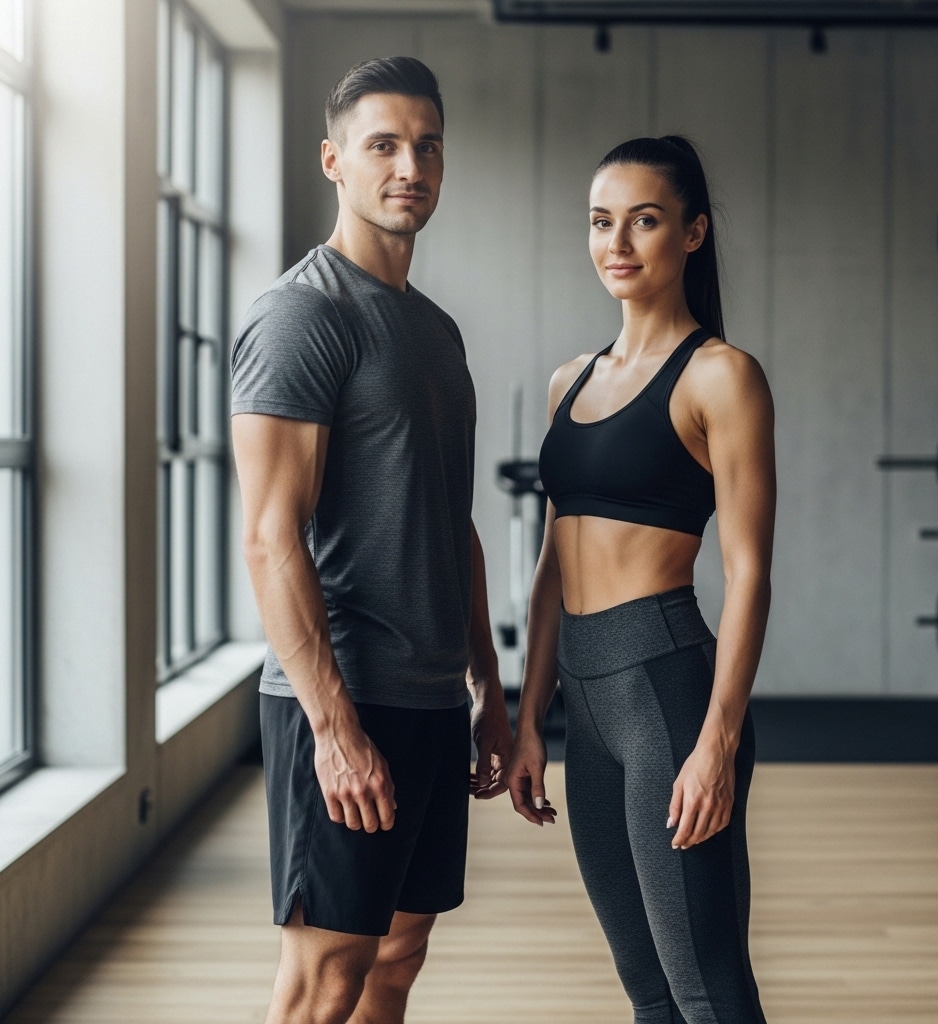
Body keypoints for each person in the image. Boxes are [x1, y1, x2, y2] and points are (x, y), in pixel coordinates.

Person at [230, 56, 512, 1024]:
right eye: (383, 144)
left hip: (429, 696)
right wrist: (334, 729)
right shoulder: (301, 315)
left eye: (426, 145)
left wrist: (487, 687)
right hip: (347, 695)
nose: (410, 165)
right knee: (324, 975)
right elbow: (269, 538)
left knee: (396, 954)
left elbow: (451, 522)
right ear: (333, 162)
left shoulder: (432, 330)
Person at [508, 135, 775, 1024]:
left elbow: (750, 573)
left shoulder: (720, 377)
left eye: (645, 220)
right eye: (601, 222)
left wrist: (717, 743)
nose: (617, 243)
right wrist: (528, 716)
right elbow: (552, 563)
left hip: (665, 693)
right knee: (649, 992)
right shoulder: (568, 381)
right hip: (586, 705)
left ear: (692, 233)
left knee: (708, 990)